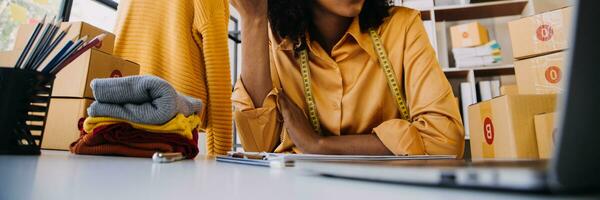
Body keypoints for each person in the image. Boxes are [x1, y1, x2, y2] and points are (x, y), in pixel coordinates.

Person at [231, 0, 464, 157]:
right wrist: (253, 20)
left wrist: (318, 145)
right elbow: (258, 149)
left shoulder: (402, 27)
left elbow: (445, 141)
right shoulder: (273, 39)